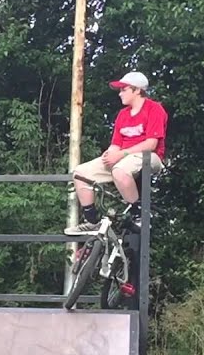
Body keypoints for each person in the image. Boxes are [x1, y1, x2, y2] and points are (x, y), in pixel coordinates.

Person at [65, 71, 168, 235]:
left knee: (119, 170)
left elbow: (151, 143)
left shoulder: (154, 109)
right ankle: (92, 221)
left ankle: (138, 214)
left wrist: (120, 154)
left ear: (136, 90)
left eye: (123, 89)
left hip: (150, 157)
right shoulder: (122, 114)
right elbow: (115, 145)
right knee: (80, 172)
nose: (120, 94)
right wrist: (109, 155)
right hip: (124, 157)